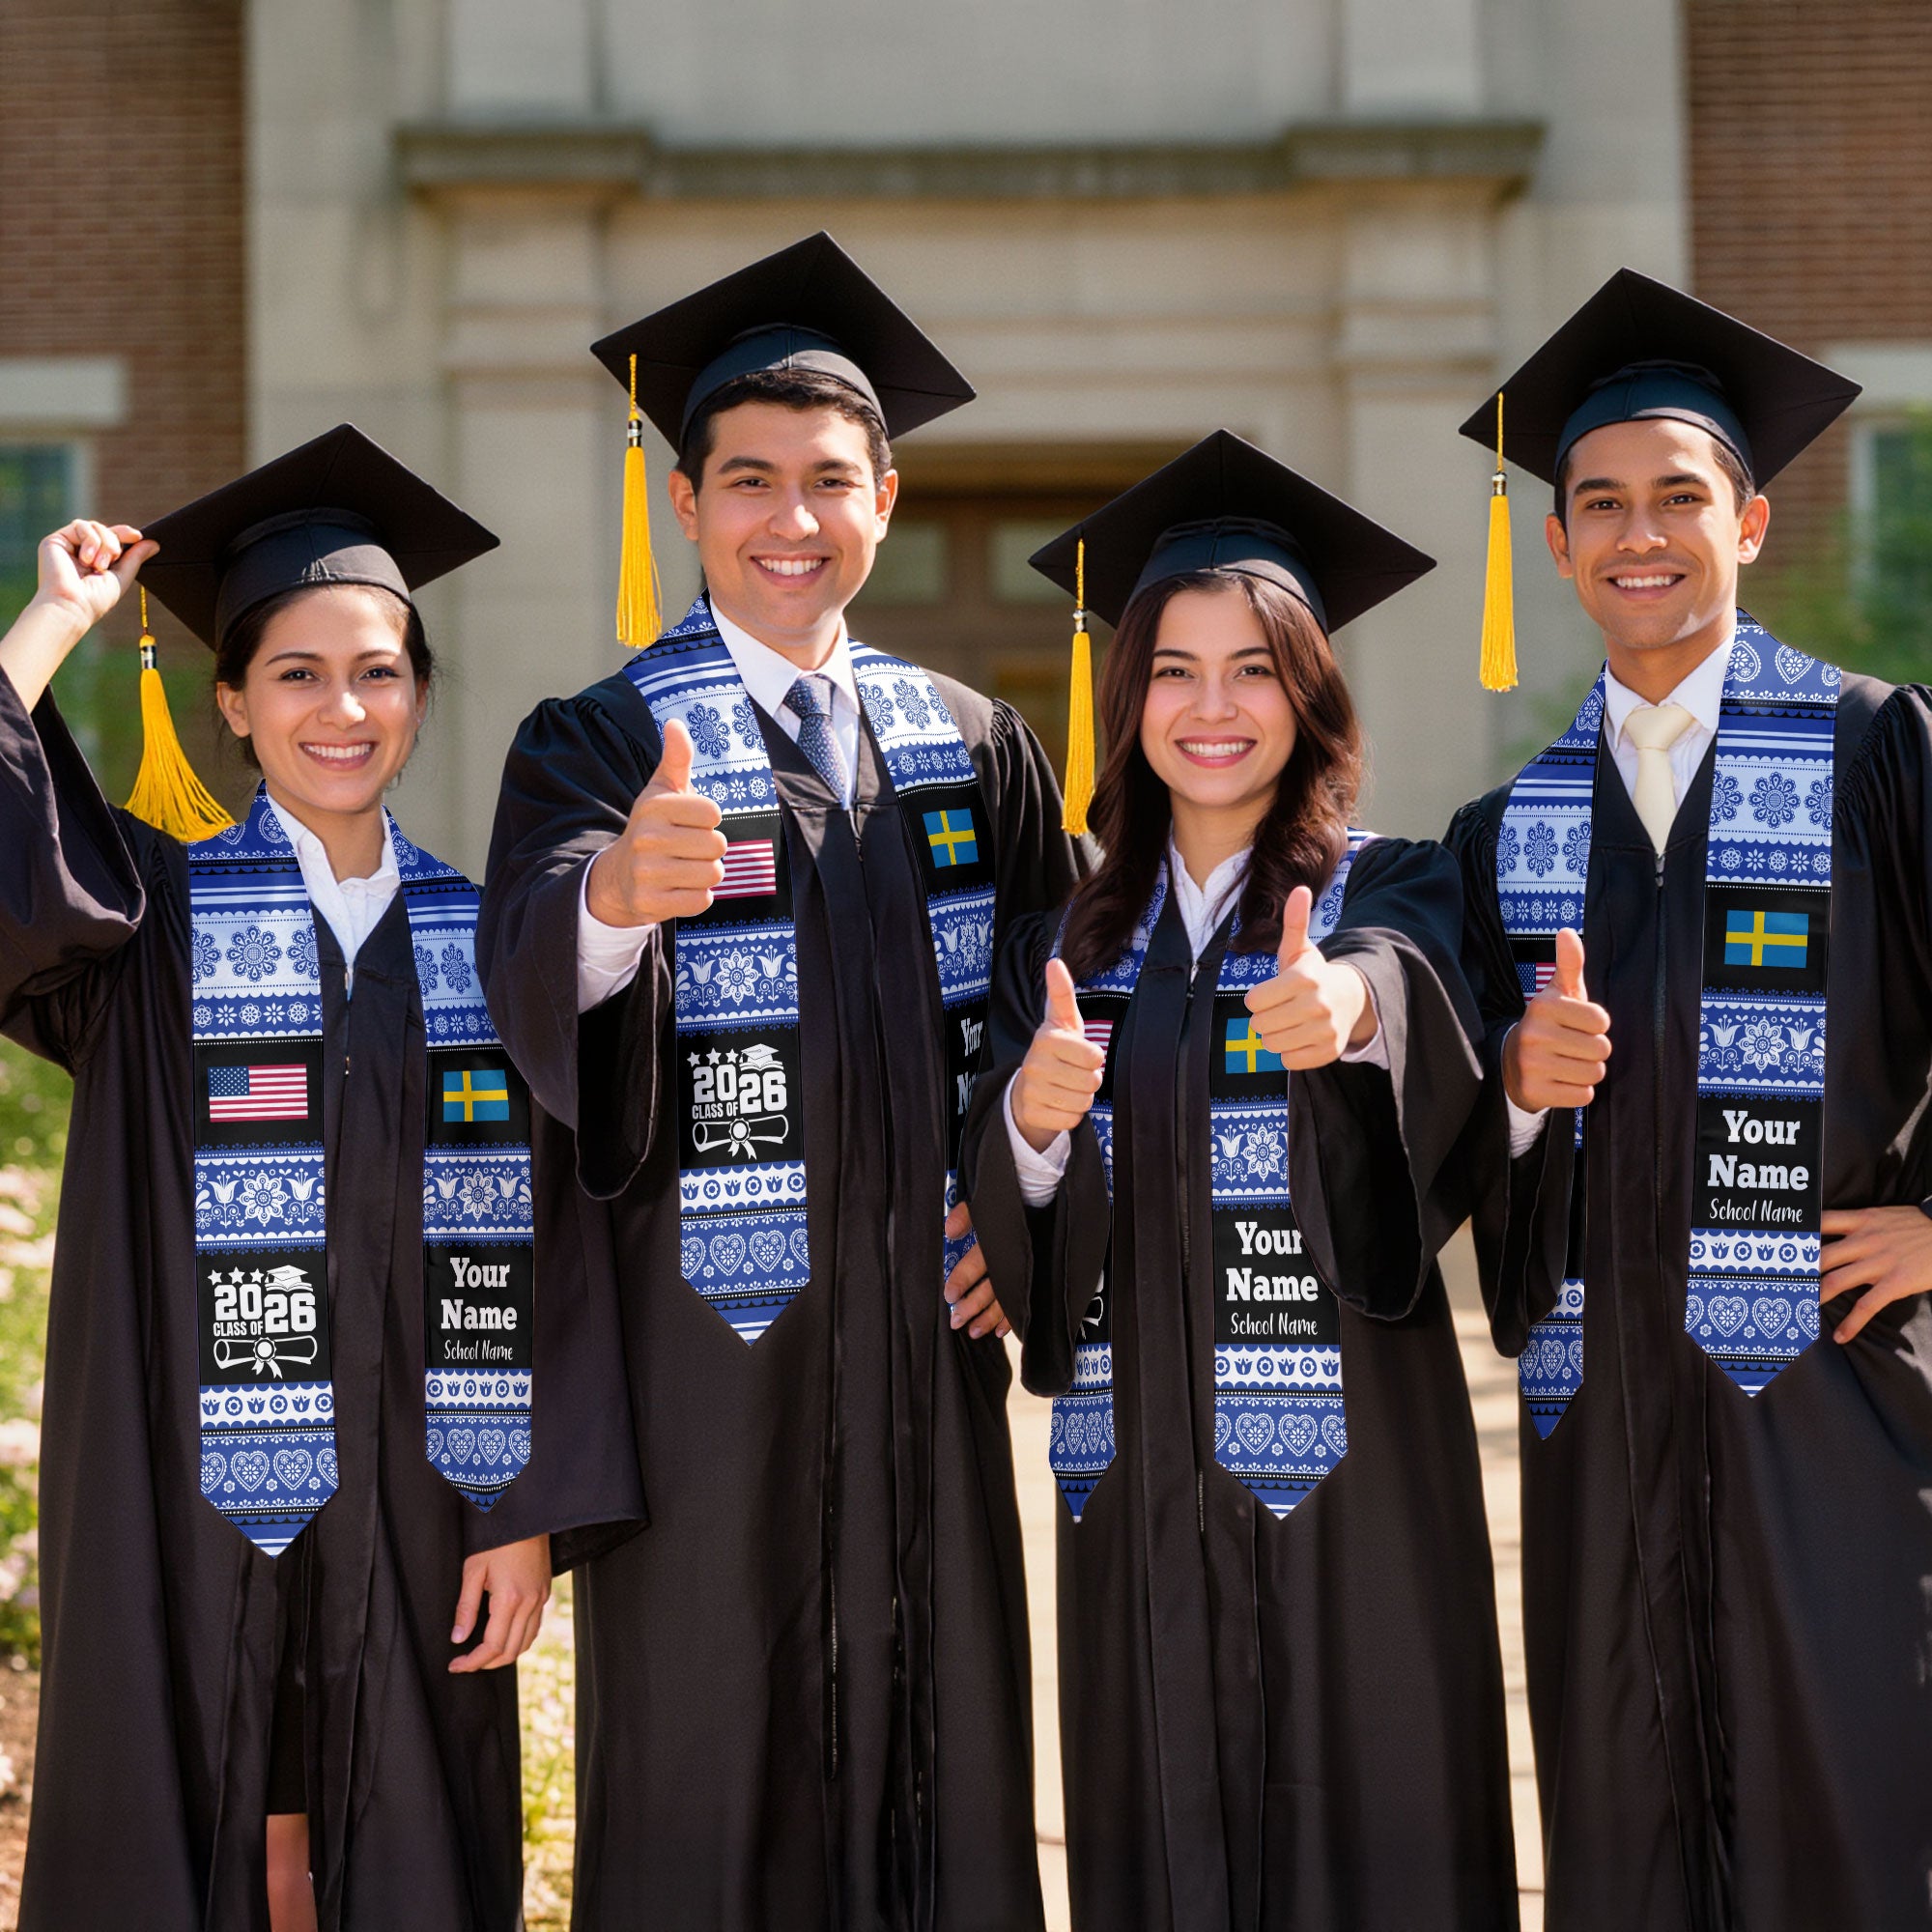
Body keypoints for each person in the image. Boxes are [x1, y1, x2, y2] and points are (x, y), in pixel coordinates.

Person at [478, 233, 1081, 1930]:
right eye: (750, 481)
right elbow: (525, 962)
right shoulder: (601, 740)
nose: (791, 519)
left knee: (941, 1752)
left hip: (921, 1353)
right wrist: (611, 899)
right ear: (686, 503)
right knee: (709, 1769)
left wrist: (1020, 1205)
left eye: (831, 481)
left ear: (886, 497)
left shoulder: (972, 739)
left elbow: (1074, 1005)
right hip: (707, 1367)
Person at [0, 425, 639, 1931]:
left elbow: (562, 1242)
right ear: (230, 701)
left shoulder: (492, 941)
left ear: (419, 696)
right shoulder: (145, 920)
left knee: (407, 1838)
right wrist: (51, 625)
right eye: (295, 673)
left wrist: (528, 1508)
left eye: (378, 671)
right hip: (182, 1486)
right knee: (197, 1811)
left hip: (429, 1497)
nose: (340, 708)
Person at [959, 431, 1518, 1930]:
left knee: (1376, 1828)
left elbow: (1416, 997)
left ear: (1311, 692)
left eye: (1256, 668)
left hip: (1356, 1477)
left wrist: (1349, 1014)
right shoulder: (1063, 947)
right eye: (1176, 670)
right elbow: (1017, 1225)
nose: (1215, 708)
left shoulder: (1391, 885)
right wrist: (1028, 1121)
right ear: (1126, 695)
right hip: (1137, 1474)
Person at [1447, 270, 1932, 1930]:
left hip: (1835, 1400)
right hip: (1606, 1427)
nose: (1636, 533)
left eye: (1678, 497)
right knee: (1625, 1820)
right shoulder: (1510, 831)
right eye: (1599, 504)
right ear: (1562, 542)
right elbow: (1448, 1142)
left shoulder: (1876, 752)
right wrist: (1513, 1092)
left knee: (1853, 1807)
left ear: (1752, 520)